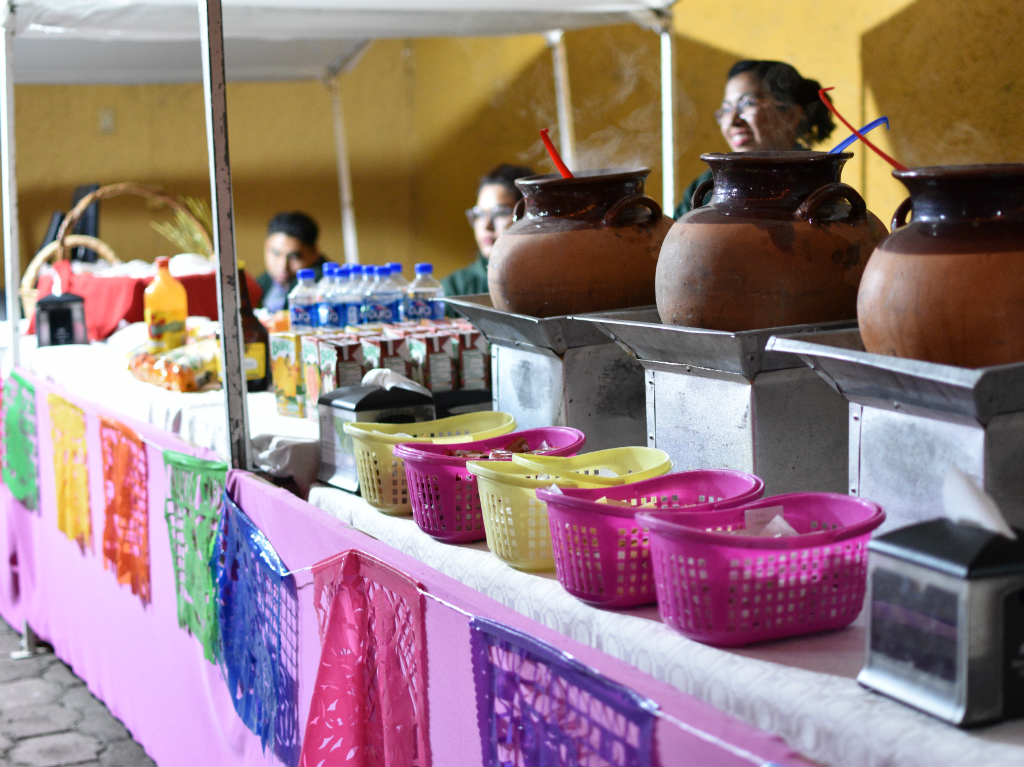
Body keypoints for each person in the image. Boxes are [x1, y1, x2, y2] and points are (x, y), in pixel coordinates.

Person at [673, 60, 836, 219]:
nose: (732, 121)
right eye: (726, 108)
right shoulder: (709, 184)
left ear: (791, 114)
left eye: (747, 103)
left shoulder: (815, 178)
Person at [442, 163, 534, 298]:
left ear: (528, 214)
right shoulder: (455, 288)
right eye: (479, 214)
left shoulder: (547, 281)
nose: (486, 226)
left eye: (500, 213)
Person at [257, 211, 330, 312]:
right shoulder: (263, 282)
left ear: (314, 253)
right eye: (276, 253)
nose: (283, 266)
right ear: (266, 246)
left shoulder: (323, 283)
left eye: (294, 257)